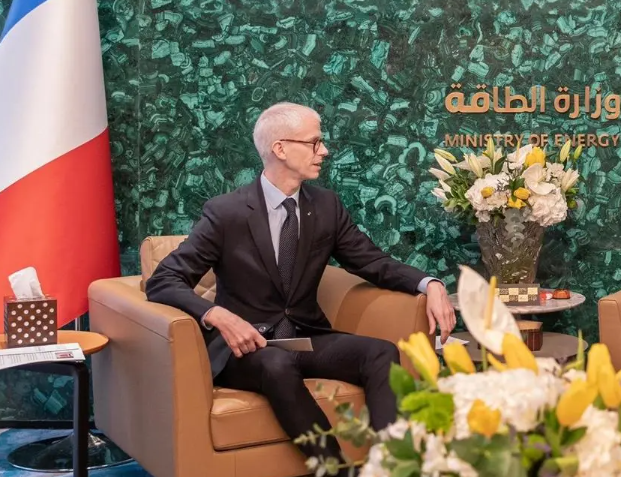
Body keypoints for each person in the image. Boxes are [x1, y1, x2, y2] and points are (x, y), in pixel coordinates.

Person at [144, 102, 457, 461]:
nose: (324, 151)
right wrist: (217, 315)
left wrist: (430, 284)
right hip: (246, 349)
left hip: (305, 337)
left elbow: (371, 261)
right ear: (280, 149)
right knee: (276, 365)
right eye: (314, 142)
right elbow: (164, 280)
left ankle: (392, 464)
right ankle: (336, 469)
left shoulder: (326, 206)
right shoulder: (227, 212)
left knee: (381, 352)